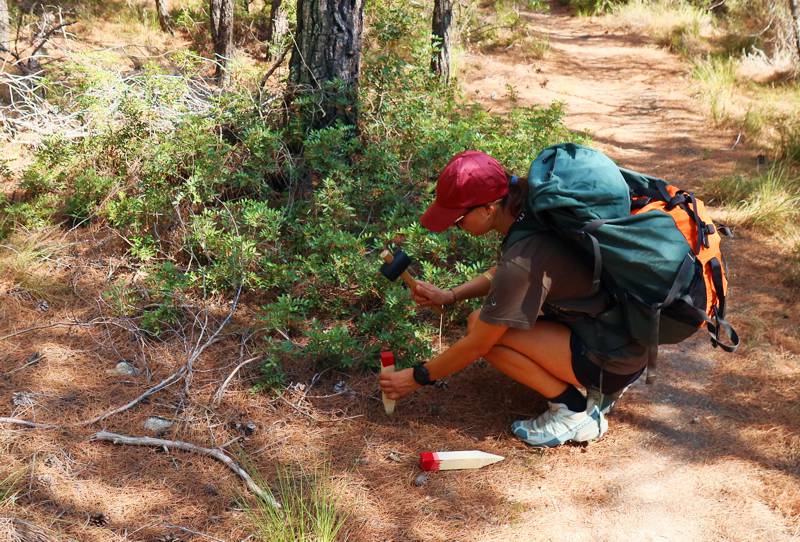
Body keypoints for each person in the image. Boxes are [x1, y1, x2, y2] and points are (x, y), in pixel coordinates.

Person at [379, 150, 647, 447]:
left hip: (613, 357)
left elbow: (479, 343)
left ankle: (573, 411)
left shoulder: (522, 258)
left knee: (486, 334)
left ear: (489, 209)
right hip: (628, 334)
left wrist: (415, 377)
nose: (458, 227)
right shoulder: (536, 204)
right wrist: (451, 295)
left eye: (458, 219)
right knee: (481, 322)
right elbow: (511, 272)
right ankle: (603, 387)